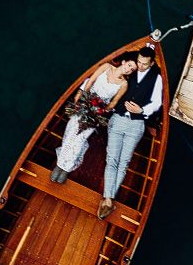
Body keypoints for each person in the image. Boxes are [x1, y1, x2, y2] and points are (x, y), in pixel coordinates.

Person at [51, 52, 136, 185]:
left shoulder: (124, 84)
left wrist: (101, 110)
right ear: (124, 61)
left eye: (132, 69)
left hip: (97, 113)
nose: (129, 69)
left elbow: (114, 102)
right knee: (70, 133)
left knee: (80, 139)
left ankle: (66, 168)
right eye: (129, 65)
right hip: (85, 102)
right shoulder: (106, 67)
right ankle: (60, 165)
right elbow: (90, 81)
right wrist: (83, 97)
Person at [99, 45, 161, 220]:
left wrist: (141, 110)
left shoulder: (157, 78)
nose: (139, 66)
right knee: (112, 159)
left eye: (144, 64)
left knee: (123, 162)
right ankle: (108, 200)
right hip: (117, 119)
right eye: (139, 62)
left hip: (136, 125)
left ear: (152, 63)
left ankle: (108, 198)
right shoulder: (129, 70)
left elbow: (157, 103)